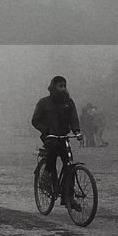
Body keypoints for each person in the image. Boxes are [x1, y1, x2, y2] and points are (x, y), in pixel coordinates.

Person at [31, 75, 82, 207]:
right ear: (54, 87)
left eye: (65, 86)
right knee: (52, 152)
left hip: (63, 137)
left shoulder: (68, 102)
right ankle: (48, 178)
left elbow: (73, 118)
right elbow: (35, 120)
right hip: (50, 137)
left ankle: (68, 196)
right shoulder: (43, 102)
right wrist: (47, 130)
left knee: (69, 165)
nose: (63, 88)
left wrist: (77, 132)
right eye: (60, 86)